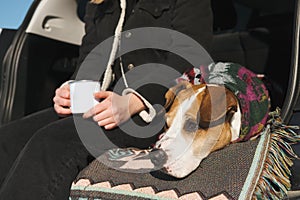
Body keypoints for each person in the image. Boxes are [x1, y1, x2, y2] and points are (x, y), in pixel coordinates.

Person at [0, 0, 213, 199]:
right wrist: (70, 91)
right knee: (7, 140)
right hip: (106, 102)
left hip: (158, 107)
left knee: (50, 142)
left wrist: (136, 100)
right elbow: (89, 59)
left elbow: (192, 54)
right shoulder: (99, 5)